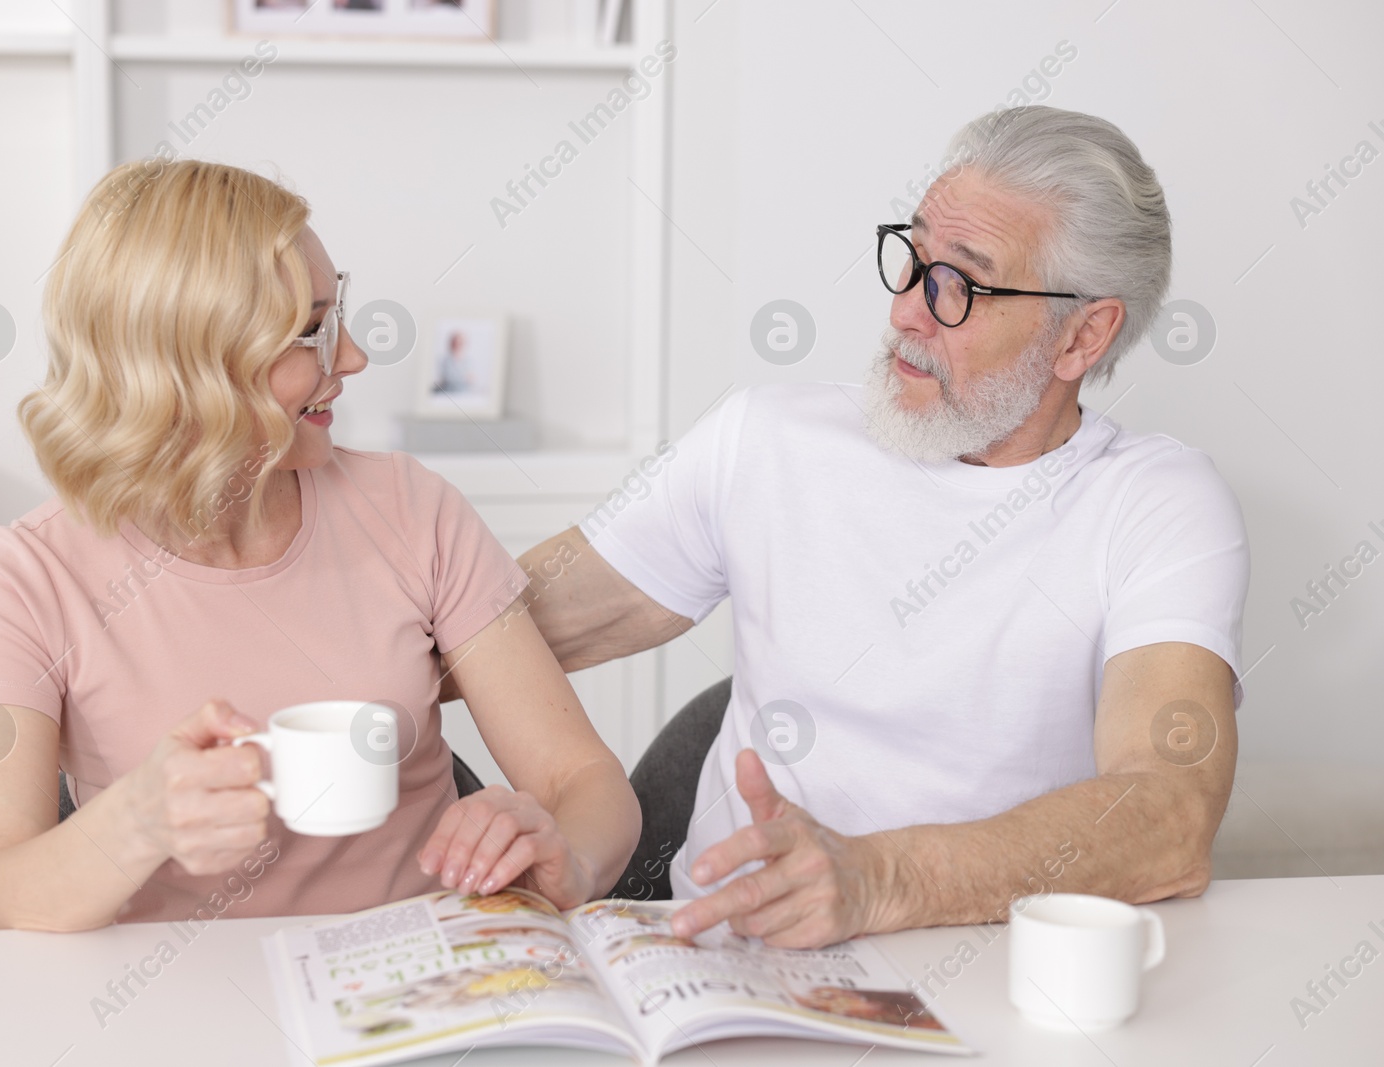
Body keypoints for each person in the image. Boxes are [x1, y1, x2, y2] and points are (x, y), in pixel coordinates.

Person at [476, 106, 1249, 949]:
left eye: (959, 284)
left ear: (1083, 335)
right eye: (913, 259)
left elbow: (1169, 814)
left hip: (989, 972)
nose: (906, 311)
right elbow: (490, 620)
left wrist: (880, 878)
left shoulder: (1156, 502)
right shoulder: (768, 436)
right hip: (722, 960)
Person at [0, 159, 638, 932]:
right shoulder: (22, 580)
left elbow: (584, 778)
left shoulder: (413, 510)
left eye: (338, 316)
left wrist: (564, 852)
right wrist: (133, 823)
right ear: (184, 361)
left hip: (420, 996)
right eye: (310, 332)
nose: (353, 359)